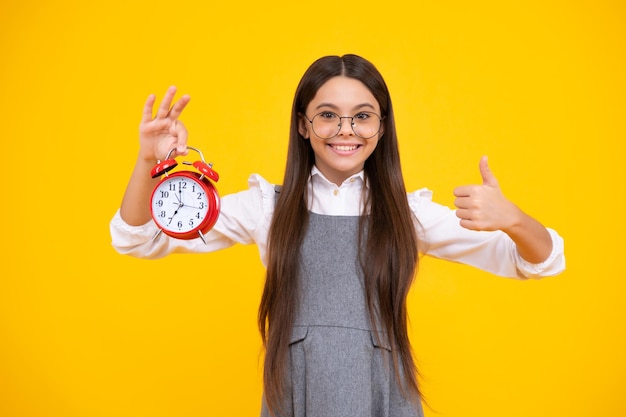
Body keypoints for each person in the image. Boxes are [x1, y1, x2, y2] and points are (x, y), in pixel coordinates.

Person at [110, 54, 565, 417]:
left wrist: (514, 219)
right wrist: (150, 164)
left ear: (381, 127)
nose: (346, 130)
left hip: (383, 396)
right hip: (296, 396)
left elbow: (539, 260)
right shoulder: (267, 206)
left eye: (362, 116)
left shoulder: (409, 214)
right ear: (303, 125)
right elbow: (139, 238)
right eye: (328, 115)